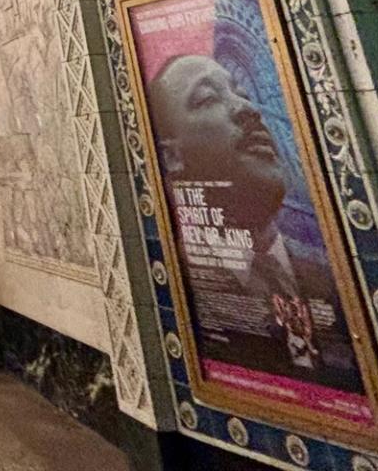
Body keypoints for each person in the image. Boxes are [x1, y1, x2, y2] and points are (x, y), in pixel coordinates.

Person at [147, 53, 364, 393]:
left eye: (243, 93)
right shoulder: (173, 278)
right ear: (171, 156)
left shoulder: (331, 283)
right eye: (207, 99)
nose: (247, 109)